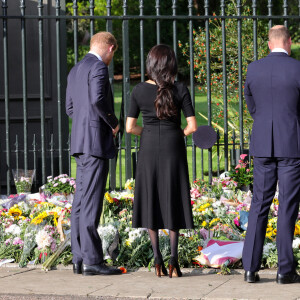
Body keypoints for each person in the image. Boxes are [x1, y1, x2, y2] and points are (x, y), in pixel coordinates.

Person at [126, 44, 197, 278]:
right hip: (173, 147)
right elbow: (192, 126)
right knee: (173, 196)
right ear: (171, 64)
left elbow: (129, 127)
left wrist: (147, 132)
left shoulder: (138, 90)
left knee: (150, 197)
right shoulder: (180, 89)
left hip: (148, 148)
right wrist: (178, 134)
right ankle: (174, 262)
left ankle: (157, 259)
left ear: (151, 64)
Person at [242, 25, 300, 284]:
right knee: (287, 206)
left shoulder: (254, 69)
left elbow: (251, 104)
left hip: (263, 144)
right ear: (288, 42)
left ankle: (250, 269)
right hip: (291, 145)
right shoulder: (298, 68)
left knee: (259, 205)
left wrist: (265, 122)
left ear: (269, 43)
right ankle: (284, 269)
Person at [66, 31, 122, 276]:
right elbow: (99, 99)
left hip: (79, 143)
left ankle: (79, 257)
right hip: (95, 144)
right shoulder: (99, 67)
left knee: (79, 202)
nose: (112, 58)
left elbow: (70, 108)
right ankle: (92, 260)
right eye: (113, 53)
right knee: (91, 203)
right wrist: (113, 123)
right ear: (110, 48)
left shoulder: (75, 69)